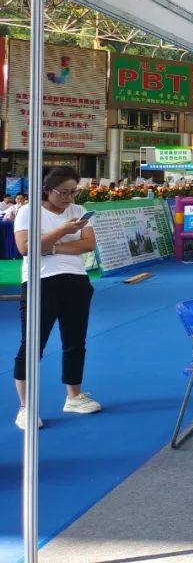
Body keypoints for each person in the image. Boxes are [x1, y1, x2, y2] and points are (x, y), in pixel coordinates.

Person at [12, 167, 99, 429]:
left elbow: (88, 245)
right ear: (47, 190)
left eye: (73, 192)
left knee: (75, 342)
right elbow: (26, 247)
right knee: (32, 345)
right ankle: (25, 407)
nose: (69, 198)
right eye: (64, 192)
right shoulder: (28, 211)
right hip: (40, 281)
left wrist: (51, 247)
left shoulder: (79, 210)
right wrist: (63, 231)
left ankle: (74, 396)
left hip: (77, 280)